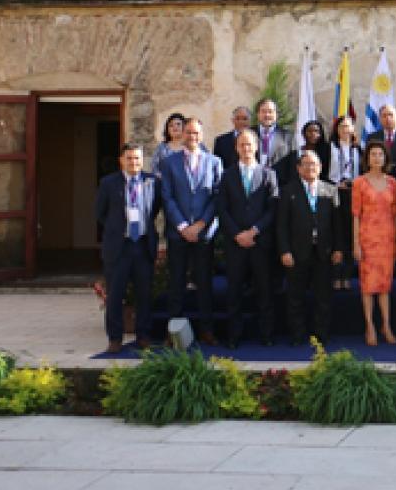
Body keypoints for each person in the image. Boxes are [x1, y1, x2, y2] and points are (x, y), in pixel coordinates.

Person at [158, 117, 222, 345]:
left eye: (196, 133)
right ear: (182, 134)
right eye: (188, 133)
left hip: (204, 234)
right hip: (179, 233)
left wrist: (201, 224)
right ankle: (173, 331)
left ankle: (206, 329)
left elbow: (217, 196)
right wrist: (184, 226)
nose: (192, 137)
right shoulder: (169, 162)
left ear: (201, 135)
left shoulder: (214, 162)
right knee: (176, 283)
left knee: (204, 283)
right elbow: (167, 197)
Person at [96, 142, 162, 353]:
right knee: (115, 295)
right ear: (121, 161)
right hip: (119, 247)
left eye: (137, 159)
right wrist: (118, 229)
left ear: (143, 161)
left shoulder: (153, 182)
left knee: (144, 294)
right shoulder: (108, 183)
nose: (134, 162)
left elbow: (155, 209)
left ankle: (143, 335)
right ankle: (115, 338)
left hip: (142, 245)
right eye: (129, 158)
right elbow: (100, 213)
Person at [216, 129, 278, 349]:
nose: (246, 149)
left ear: (256, 147)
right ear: (236, 148)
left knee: (264, 290)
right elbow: (222, 209)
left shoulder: (269, 174)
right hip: (235, 244)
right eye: (241, 145)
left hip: (260, 243)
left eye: (249, 145)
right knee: (234, 292)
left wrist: (254, 231)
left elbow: (272, 209)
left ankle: (266, 334)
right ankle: (233, 336)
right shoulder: (226, 176)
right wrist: (237, 234)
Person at [276, 150, 343, 345]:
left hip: (324, 253)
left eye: (314, 164)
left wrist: (339, 248)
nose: (310, 167)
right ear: (298, 168)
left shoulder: (330, 191)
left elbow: (337, 224)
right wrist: (284, 250)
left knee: (324, 297)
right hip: (297, 253)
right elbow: (281, 225)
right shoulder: (288, 191)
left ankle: (321, 335)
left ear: (320, 167)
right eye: (306, 164)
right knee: (295, 298)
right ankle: (297, 336)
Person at [352, 141, 396, 346]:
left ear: (385, 158)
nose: (377, 158)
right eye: (373, 154)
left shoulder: (392, 183)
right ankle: (369, 325)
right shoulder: (359, 183)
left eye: (380, 154)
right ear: (367, 158)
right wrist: (355, 243)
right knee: (368, 286)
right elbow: (355, 215)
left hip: (387, 238)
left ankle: (387, 325)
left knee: (384, 286)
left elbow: (395, 214)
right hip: (368, 238)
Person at [327, 115, 362, 290]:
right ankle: (335, 275)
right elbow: (322, 171)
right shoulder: (330, 148)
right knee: (335, 232)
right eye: (342, 126)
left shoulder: (358, 149)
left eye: (348, 126)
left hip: (353, 193)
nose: (345, 130)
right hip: (333, 192)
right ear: (336, 129)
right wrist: (335, 184)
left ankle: (347, 275)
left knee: (350, 233)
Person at [277, 119, 328, 189]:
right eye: (310, 131)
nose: (313, 134)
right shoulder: (295, 154)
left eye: (317, 131)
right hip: (296, 191)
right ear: (303, 133)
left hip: (320, 191)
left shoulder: (326, 153)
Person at [367, 104, 396, 177]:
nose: (388, 118)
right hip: (379, 178)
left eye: (391, 115)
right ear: (379, 119)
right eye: (384, 116)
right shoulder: (372, 137)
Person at [253, 99, 293, 170]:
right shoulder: (248, 134)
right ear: (258, 114)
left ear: (276, 114)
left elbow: (292, 162)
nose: (267, 115)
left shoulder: (288, 136)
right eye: (263, 111)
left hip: (279, 179)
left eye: (270, 111)